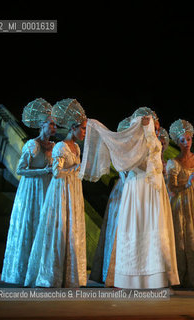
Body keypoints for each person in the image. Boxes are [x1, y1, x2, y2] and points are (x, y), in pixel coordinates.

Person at [79, 107, 179, 289]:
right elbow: (132, 165)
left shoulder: (153, 141)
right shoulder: (135, 146)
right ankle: (131, 276)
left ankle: (154, 277)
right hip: (139, 189)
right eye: (153, 127)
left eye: (157, 128)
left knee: (154, 229)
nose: (156, 131)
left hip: (153, 190)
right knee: (136, 228)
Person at [25, 98, 88, 287]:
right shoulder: (60, 146)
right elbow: (56, 172)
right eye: (83, 128)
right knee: (59, 229)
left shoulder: (76, 147)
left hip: (73, 191)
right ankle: (51, 275)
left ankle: (70, 275)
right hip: (61, 192)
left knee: (72, 230)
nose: (85, 132)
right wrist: (76, 169)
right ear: (73, 127)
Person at [1, 98, 57, 285]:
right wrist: (42, 172)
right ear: (42, 126)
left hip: (48, 189)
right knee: (30, 225)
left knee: (45, 227)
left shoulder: (54, 146)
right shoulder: (32, 145)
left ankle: (43, 272)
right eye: (50, 123)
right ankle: (25, 272)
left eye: (55, 124)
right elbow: (20, 169)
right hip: (32, 190)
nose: (53, 127)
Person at [89, 117, 131, 284]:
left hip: (134, 189)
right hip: (123, 191)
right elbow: (124, 172)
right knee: (118, 229)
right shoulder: (120, 150)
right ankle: (113, 273)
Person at [166, 119, 194, 287]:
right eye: (182, 140)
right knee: (183, 237)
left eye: (188, 139)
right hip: (182, 202)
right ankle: (181, 277)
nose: (186, 143)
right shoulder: (173, 163)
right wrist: (186, 183)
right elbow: (171, 186)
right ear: (177, 142)